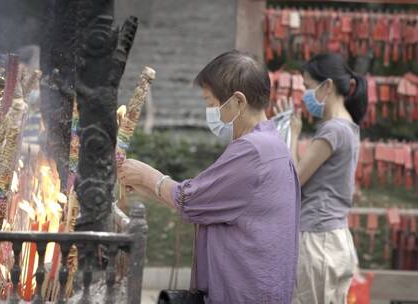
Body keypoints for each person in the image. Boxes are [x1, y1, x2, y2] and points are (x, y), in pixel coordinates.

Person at [118, 51, 300, 304]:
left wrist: (147, 175)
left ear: (238, 101)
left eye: (212, 103)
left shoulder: (252, 150)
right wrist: (142, 185)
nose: (210, 111)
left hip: (245, 291)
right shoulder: (270, 143)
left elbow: (190, 199)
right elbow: (209, 201)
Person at [276, 53, 367, 304]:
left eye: (307, 86)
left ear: (326, 86)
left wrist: (293, 135)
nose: (306, 94)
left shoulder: (333, 129)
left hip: (318, 240)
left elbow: (294, 179)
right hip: (334, 237)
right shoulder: (348, 126)